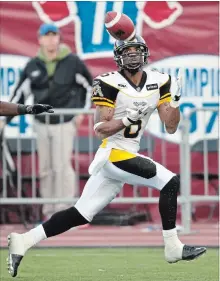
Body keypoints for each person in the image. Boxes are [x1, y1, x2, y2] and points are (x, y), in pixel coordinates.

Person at [7, 35, 206, 278]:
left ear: (145, 53)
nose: (133, 55)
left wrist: (174, 101)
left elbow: (171, 127)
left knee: (80, 214)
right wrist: (128, 119)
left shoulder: (160, 81)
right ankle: (172, 246)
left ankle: (24, 240)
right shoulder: (107, 82)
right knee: (170, 181)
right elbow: (100, 127)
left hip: (127, 154)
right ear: (118, 57)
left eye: (136, 50)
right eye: (127, 51)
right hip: (112, 153)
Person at [9, 23, 93, 220]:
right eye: (46, 36)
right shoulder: (32, 65)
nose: (50, 39)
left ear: (59, 38)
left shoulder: (73, 62)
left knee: (62, 166)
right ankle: (49, 212)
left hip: (64, 121)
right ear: (39, 39)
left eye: (53, 35)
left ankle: (65, 212)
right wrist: (5, 119)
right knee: (45, 168)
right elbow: (19, 95)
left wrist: (81, 112)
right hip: (40, 123)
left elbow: (91, 86)